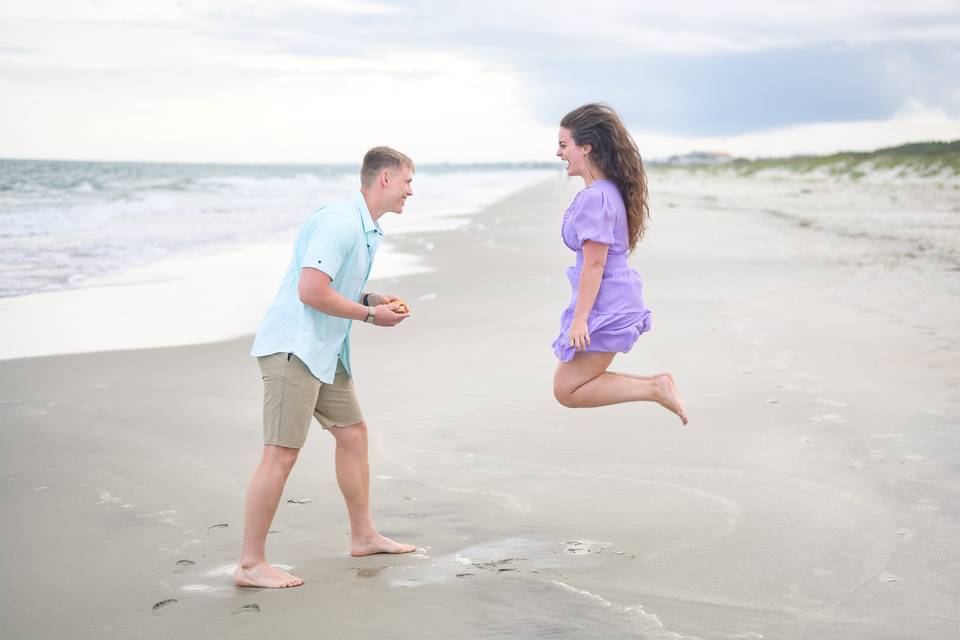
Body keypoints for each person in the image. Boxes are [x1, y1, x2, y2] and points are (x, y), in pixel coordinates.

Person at [235, 146, 417, 589]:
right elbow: (311, 291)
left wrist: (373, 299)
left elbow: (338, 287)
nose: (412, 190)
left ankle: (364, 535)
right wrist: (372, 316)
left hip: (326, 350)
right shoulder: (340, 221)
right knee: (281, 453)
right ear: (386, 180)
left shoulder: (367, 228)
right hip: (294, 347)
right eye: (408, 181)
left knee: (352, 434)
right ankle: (250, 564)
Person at [551, 104, 688, 425]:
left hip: (606, 302)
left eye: (563, 145)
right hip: (612, 296)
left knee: (567, 390)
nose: (558, 153)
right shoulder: (608, 191)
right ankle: (655, 387)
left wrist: (580, 320)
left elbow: (595, 265)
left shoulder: (596, 197)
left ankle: (656, 387)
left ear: (586, 147)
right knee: (567, 388)